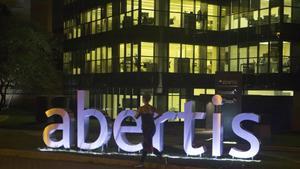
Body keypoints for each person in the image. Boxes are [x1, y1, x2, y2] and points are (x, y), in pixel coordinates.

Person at [134, 93, 167, 168]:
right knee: (146, 145)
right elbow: (160, 114)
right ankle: (142, 163)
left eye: (143, 98)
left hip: (146, 128)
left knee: (147, 145)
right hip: (152, 127)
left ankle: (161, 158)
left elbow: (136, 117)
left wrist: (138, 112)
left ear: (144, 99)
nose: (142, 99)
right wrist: (154, 118)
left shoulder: (141, 108)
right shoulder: (152, 108)